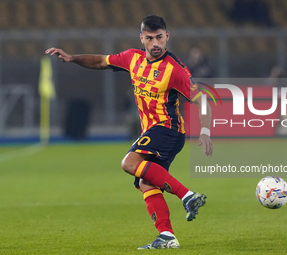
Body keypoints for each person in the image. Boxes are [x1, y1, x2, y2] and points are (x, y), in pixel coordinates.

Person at [45, 15, 213, 250]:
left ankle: (187, 196)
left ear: (167, 37)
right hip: (153, 131)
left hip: (168, 129)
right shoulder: (131, 58)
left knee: (129, 162)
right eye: (150, 38)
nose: (156, 43)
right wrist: (72, 58)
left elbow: (201, 100)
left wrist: (205, 130)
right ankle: (167, 236)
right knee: (145, 182)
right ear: (142, 38)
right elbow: (100, 61)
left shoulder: (175, 70)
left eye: (160, 37)